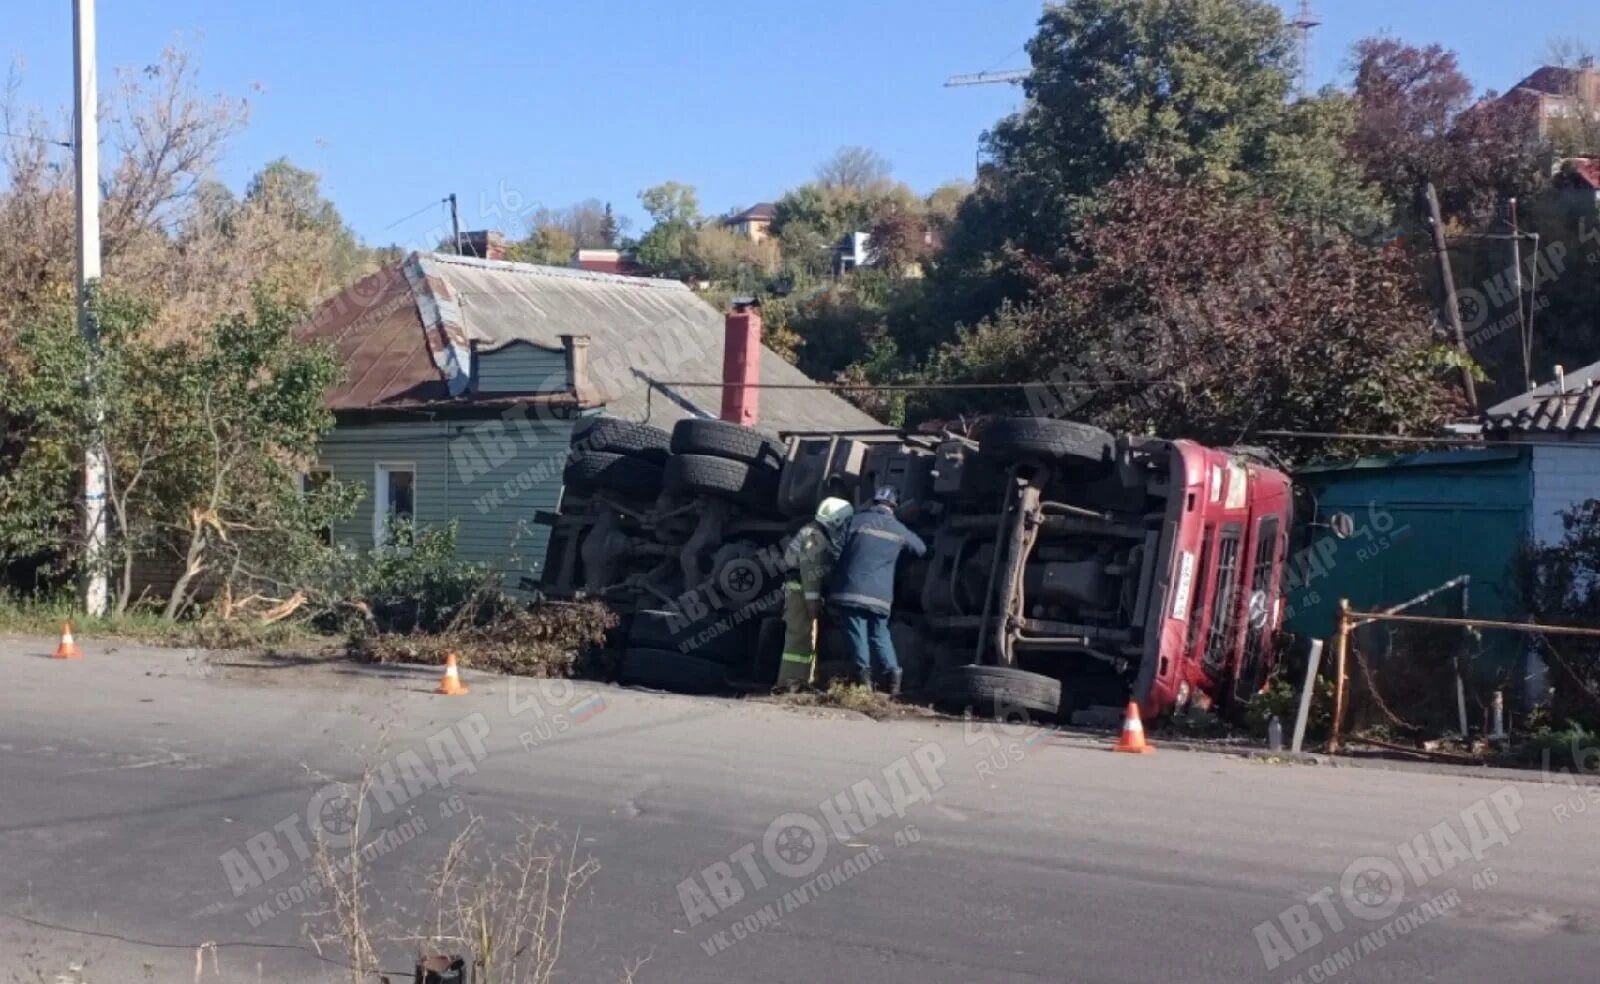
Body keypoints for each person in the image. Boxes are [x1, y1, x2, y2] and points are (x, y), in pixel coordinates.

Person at [825, 485, 927, 696]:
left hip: (850, 590)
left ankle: (864, 683)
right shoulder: (898, 528)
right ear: (893, 506)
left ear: (873, 502)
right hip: (880, 596)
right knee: (881, 635)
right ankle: (894, 681)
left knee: (857, 633)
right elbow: (921, 549)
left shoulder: (854, 520)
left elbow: (833, 552)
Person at [776, 497, 854, 689]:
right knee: (799, 638)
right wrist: (813, 603)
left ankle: (801, 680)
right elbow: (810, 574)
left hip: (797, 590)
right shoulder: (815, 537)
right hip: (800, 591)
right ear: (836, 520)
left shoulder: (812, 531)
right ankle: (790, 682)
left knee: (806, 637)